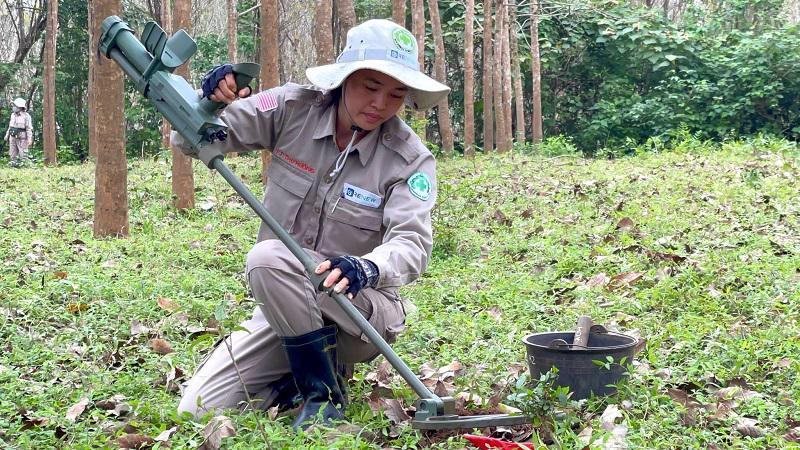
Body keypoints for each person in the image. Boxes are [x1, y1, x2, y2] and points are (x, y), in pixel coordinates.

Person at [171, 19, 450, 429]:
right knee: (197, 410)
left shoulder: (409, 158)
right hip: (286, 303)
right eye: (370, 88)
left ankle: (325, 403)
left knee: (267, 258)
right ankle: (299, 379)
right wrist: (209, 104)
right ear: (344, 80)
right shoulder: (292, 108)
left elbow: (412, 244)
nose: (380, 104)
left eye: (396, 94)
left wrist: (368, 266)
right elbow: (192, 139)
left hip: (359, 311)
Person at [4, 98, 33, 166]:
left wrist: (29, 139)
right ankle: (13, 165)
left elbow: (28, 128)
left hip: (22, 137)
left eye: (15, 105)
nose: (13, 107)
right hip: (12, 136)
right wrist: (7, 135)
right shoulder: (12, 115)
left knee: (23, 153)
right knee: (12, 152)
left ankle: (24, 166)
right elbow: (10, 126)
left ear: (20, 107)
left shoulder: (26, 116)